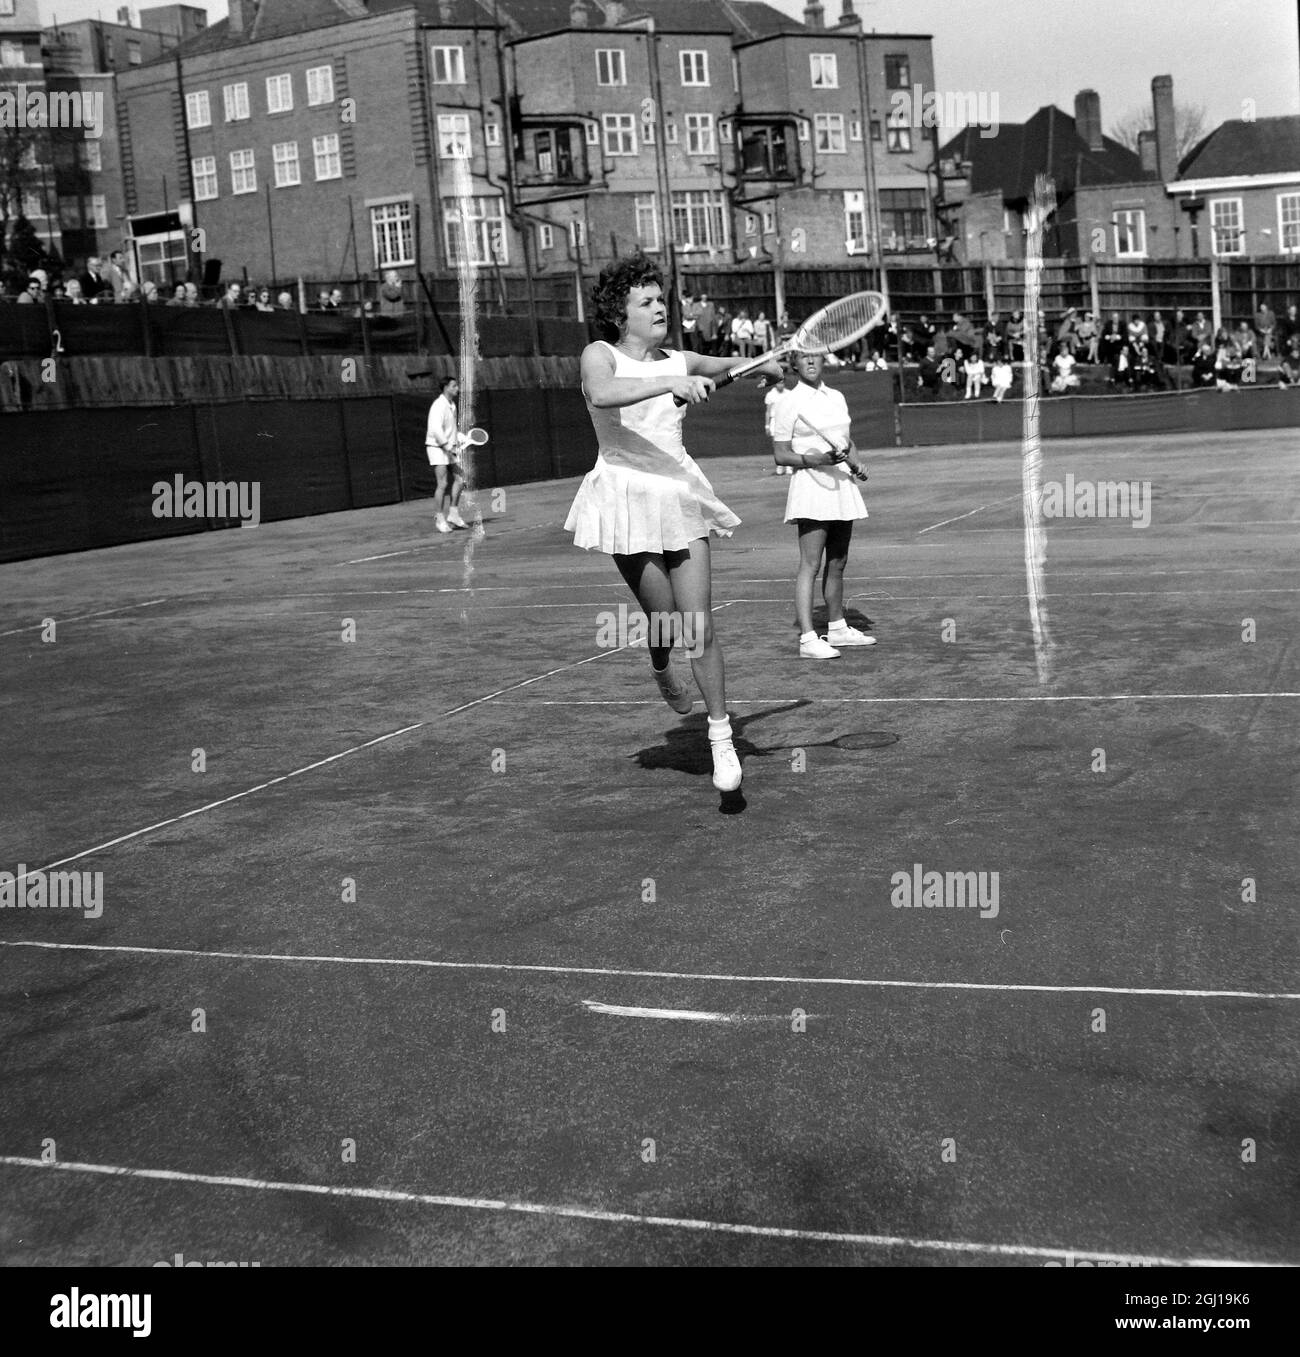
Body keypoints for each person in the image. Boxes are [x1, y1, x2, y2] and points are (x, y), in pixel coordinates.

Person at [564, 254, 778, 793]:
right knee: (665, 624)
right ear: (620, 313)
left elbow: (716, 363)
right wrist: (670, 384)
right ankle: (662, 667)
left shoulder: (678, 357)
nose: (660, 308)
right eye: (647, 302)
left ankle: (722, 739)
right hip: (626, 497)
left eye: (662, 300)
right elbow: (600, 395)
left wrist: (777, 363)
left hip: (680, 495)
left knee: (698, 626)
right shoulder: (600, 355)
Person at [770, 349, 874, 660]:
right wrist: (812, 459)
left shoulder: (837, 397)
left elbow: (846, 440)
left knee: (838, 561)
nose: (811, 362)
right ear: (795, 364)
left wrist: (856, 463)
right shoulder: (788, 401)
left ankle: (838, 627)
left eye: (816, 356)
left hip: (842, 483)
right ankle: (807, 638)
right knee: (810, 564)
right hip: (811, 486)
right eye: (804, 358)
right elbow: (780, 454)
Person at [425, 376, 468, 533]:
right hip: (436, 447)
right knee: (442, 484)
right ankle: (439, 519)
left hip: (449, 447)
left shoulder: (452, 405)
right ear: (446, 388)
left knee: (460, 479)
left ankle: (453, 515)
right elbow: (435, 429)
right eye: (454, 386)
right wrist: (446, 446)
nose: (457, 388)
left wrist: (459, 438)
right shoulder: (438, 406)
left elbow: (451, 429)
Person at [764, 360, 799, 476]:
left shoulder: (789, 394)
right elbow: (768, 411)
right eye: (778, 383)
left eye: (782, 383)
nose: (780, 385)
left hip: (786, 421)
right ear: (775, 384)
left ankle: (789, 467)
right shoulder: (770, 395)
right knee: (776, 445)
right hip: (774, 421)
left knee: (788, 444)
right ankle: (780, 467)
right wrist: (767, 425)